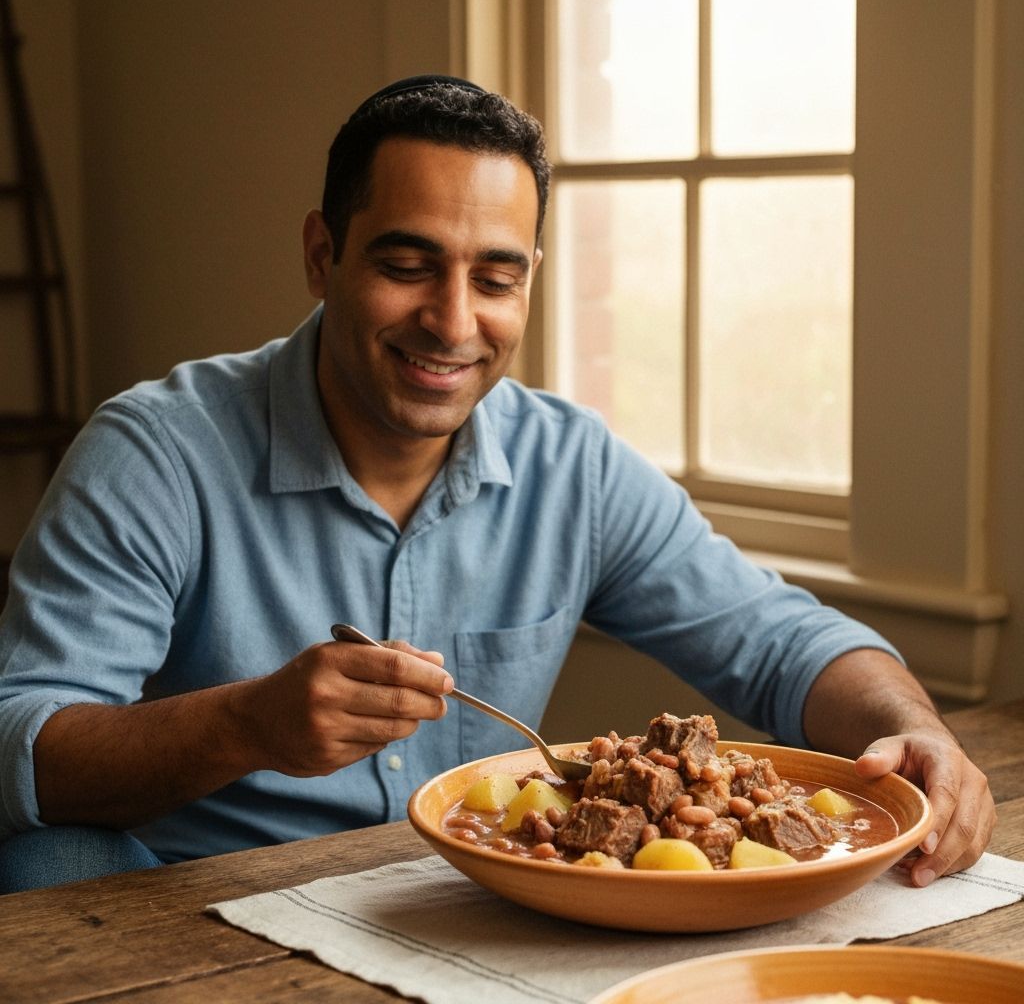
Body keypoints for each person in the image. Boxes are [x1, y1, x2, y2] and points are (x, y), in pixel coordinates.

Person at [0, 75, 994, 893]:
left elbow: (777, 643)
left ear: (529, 279)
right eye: (408, 265)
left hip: (472, 906)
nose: (452, 321)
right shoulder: (155, 453)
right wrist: (244, 725)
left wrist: (912, 732)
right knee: (47, 863)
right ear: (321, 256)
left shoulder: (572, 464)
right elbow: (24, 742)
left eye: (494, 278)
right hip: (204, 902)